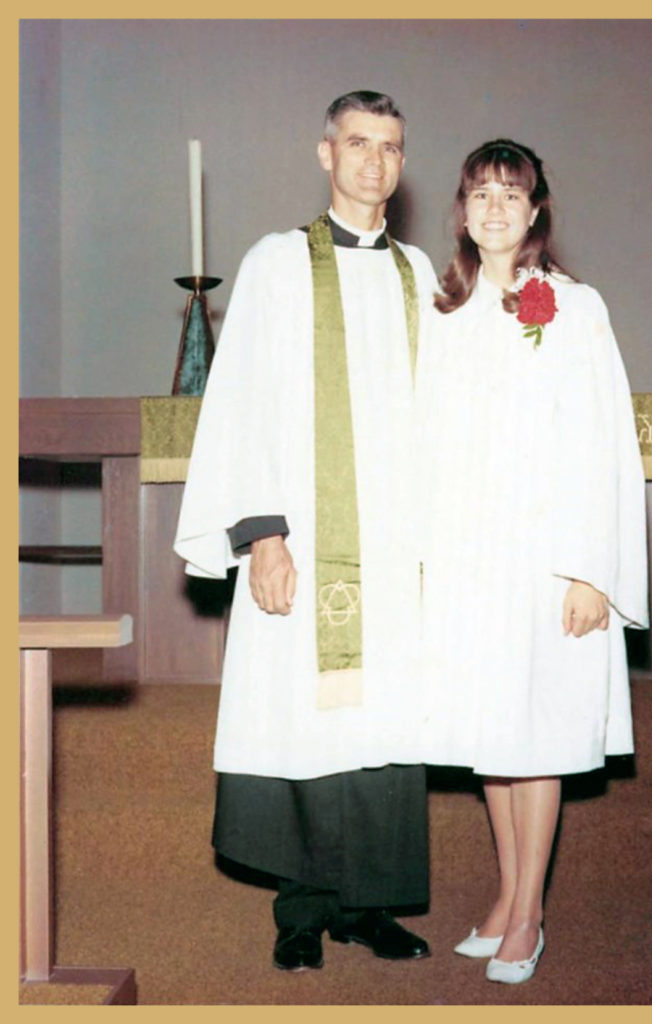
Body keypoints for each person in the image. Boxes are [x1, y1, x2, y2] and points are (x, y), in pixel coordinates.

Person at [174, 91, 437, 972]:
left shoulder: (421, 273)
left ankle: (370, 905)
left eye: (390, 147)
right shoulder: (278, 264)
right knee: (301, 720)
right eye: (358, 143)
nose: (375, 161)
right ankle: (300, 909)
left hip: (398, 551)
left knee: (382, 723)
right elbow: (242, 397)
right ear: (326, 154)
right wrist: (265, 535)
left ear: (402, 163)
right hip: (303, 534)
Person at [417, 139, 648, 984]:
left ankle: (529, 913)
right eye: (481, 194)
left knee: (538, 732)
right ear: (462, 210)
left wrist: (595, 571)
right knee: (493, 733)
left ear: (537, 208)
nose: (496, 209)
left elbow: (604, 445)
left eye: (512, 194)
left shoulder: (575, 308)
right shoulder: (444, 311)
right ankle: (509, 894)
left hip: (549, 557)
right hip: (472, 556)